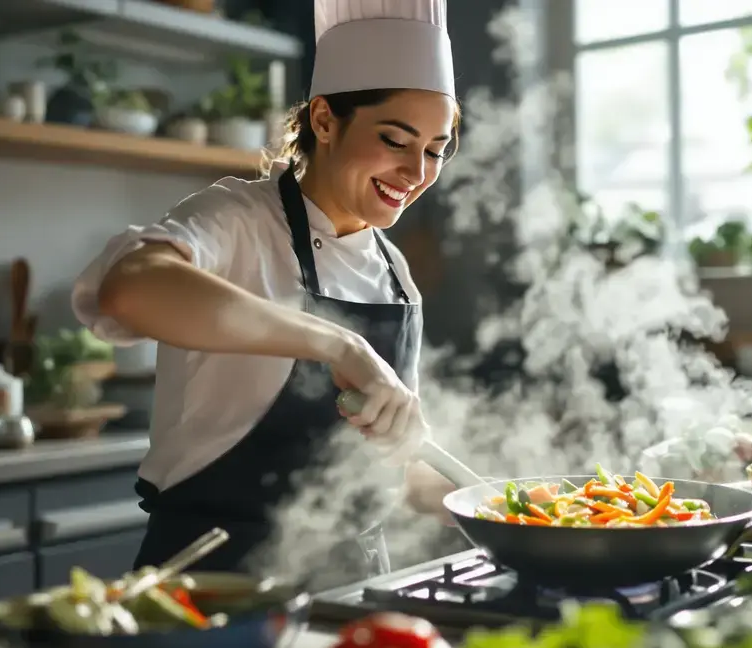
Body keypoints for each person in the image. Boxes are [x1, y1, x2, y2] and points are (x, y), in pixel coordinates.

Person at [70, 0, 460, 583]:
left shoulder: (394, 270)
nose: (417, 171)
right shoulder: (236, 218)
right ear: (325, 120)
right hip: (213, 575)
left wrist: (497, 508)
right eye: (395, 139)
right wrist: (341, 346)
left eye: (435, 149)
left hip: (349, 580)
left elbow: (391, 458)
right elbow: (130, 289)